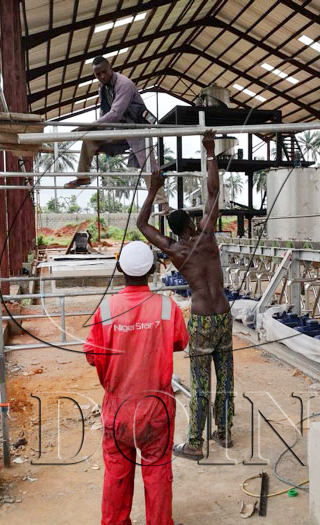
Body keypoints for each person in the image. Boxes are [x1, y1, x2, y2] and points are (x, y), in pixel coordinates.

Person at [137, 130, 234, 461]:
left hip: (203, 318)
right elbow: (213, 190)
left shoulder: (173, 249)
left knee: (201, 380)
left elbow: (141, 224)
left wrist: (151, 190)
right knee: (226, 375)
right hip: (224, 314)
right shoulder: (207, 235)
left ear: (172, 229)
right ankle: (224, 431)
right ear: (192, 221)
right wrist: (210, 153)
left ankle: (195, 442)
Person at [83, 241, 189, 525]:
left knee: (117, 475)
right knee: (157, 473)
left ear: (120, 268)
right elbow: (179, 342)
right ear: (153, 269)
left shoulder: (106, 310)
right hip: (156, 410)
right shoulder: (167, 307)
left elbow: (92, 356)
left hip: (118, 409)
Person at [66, 56, 168, 209]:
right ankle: (83, 177)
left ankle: (162, 202)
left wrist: (90, 126)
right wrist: (96, 131)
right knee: (90, 139)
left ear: (110, 69)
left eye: (104, 72)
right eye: (97, 74)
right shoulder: (102, 88)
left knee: (148, 163)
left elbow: (115, 113)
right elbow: (105, 113)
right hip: (118, 129)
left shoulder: (124, 84)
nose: (101, 76)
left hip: (137, 128)